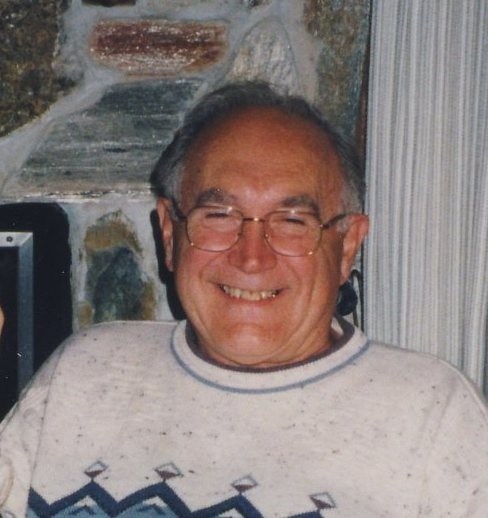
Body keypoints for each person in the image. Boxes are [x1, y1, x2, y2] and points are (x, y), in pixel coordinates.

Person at [0, 82, 487, 517]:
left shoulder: (433, 414)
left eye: (292, 221)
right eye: (218, 215)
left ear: (347, 247)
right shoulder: (86, 370)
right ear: (169, 233)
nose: (251, 257)